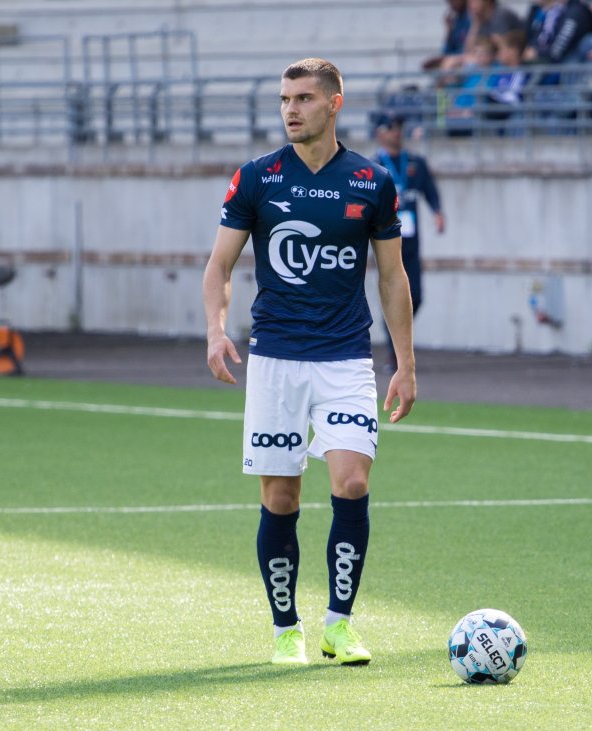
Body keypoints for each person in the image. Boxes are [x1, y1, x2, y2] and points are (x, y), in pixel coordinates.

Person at [202, 58, 417, 667]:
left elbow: (393, 277)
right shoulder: (257, 178)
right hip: (274, 360)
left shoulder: (372, 182)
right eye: (283, 99)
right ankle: (285, 629)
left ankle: (339, 626)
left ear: (334, 103)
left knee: (352, 482)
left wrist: (405, 364)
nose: (290, 109)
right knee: (282, 499)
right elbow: (218, 267)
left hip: (346, 358)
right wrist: (216, 331)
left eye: (301, 98)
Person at [371, 113, 445, 369]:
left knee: (417, 296)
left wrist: (437, 213)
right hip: (386, 239)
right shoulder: (373, 166)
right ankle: (395, 354)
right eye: (391, 128)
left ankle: (397, 331)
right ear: (380, 133)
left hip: (411, 240)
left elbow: (430, 191)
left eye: (400, 127)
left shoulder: (415, 162)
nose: (397, 133)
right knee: (394, 293)